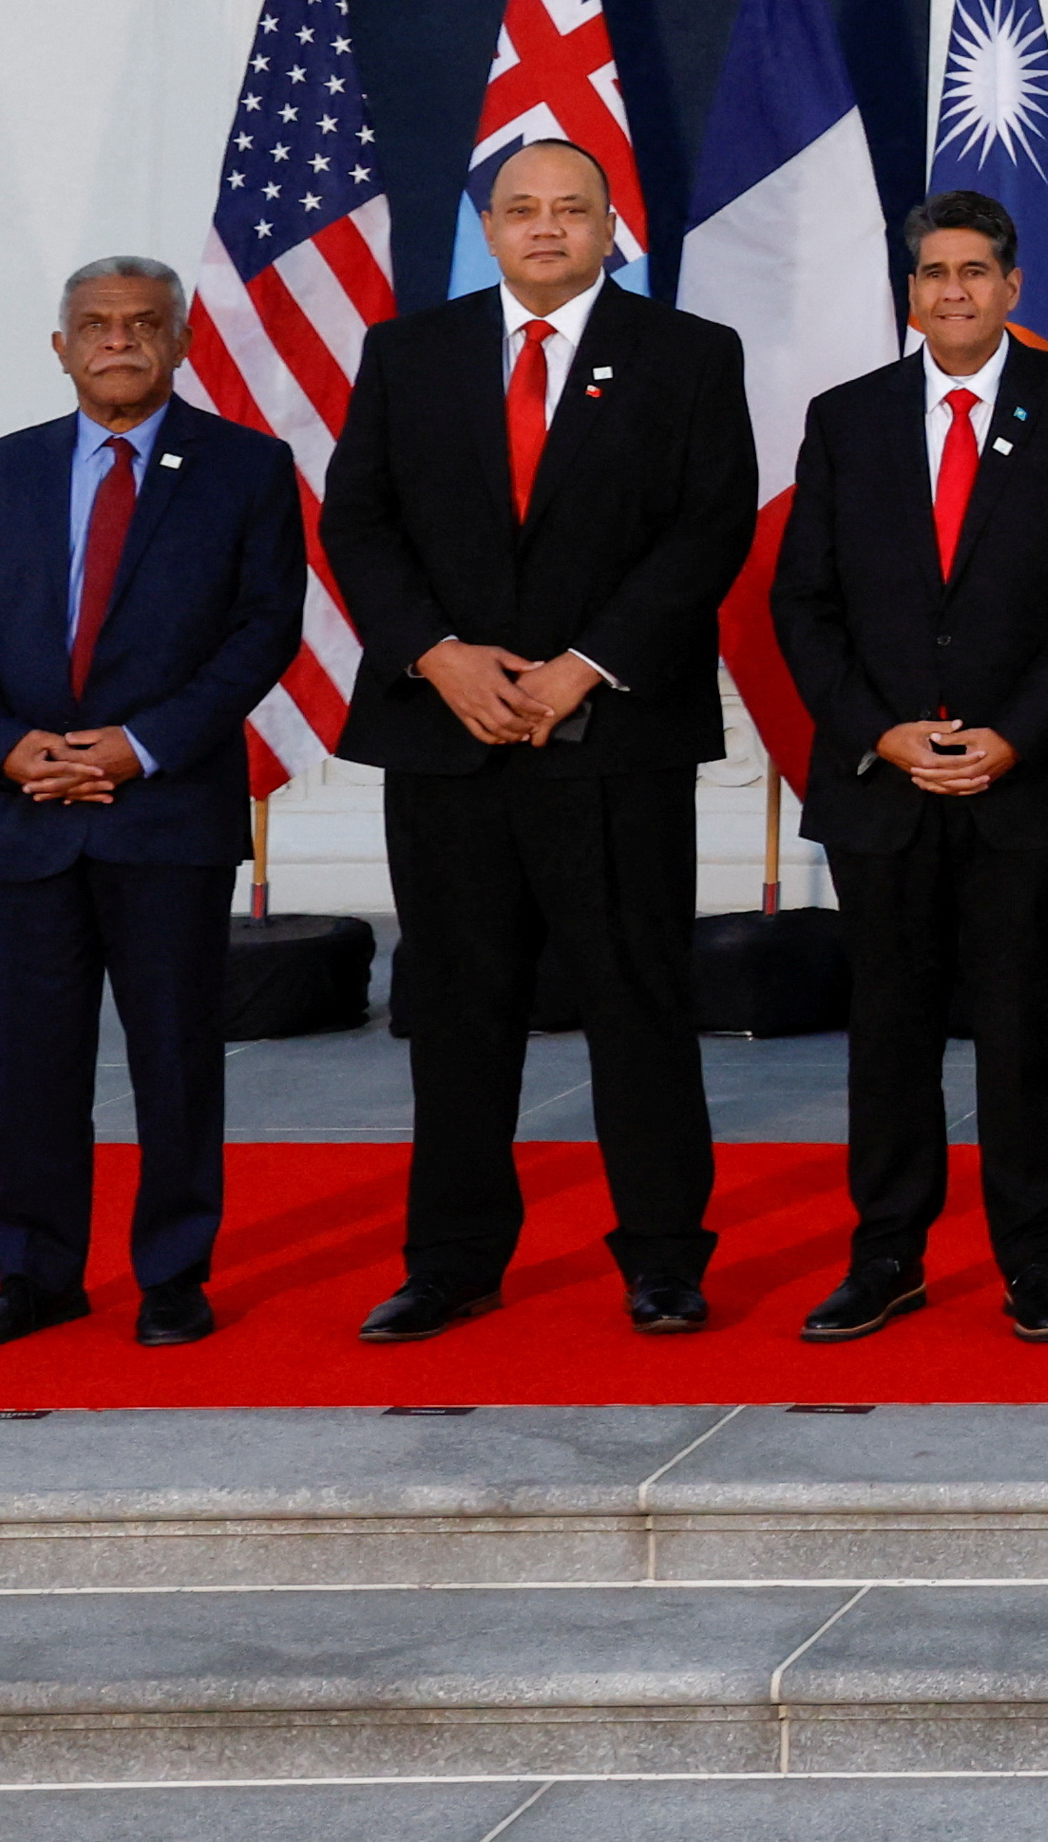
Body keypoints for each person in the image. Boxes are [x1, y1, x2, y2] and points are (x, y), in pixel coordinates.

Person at [324, 135, 757, 1342]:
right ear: (492, 225)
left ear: (612, 223)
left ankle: (665, 1257)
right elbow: (357, 520)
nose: (547, 227)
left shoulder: (686, 355)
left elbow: (708, 528)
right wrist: (437, 654)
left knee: (638, 1001)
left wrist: (582, 666)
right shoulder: (409, 354)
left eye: (572, 208)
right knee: (457, 1006)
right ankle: (452, 1259)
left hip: (610, 738)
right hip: (448, 736)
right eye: (524, 209)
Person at [0, 258, 308, 1352]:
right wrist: (6, 749)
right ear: (61, 346)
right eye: (95, 324)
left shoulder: (246, 468)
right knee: (31, 1065)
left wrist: (141, 745)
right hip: (25, 809)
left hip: (165, 812)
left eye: (142, 324)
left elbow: (263, 630)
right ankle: (35, 1274)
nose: (117, 340)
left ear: (178, 343)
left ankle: (174, 1272)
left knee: (176, 1056)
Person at [766, 187, 1048, 1345]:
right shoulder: (848, 417)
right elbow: (803, 600)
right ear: (911, 292)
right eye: (934, 274)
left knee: (1024, 1021)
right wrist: (880, 731)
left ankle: (1035, 1260)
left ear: (1012, 286)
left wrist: (1011, 732)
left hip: (1025, 780)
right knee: (888, 1028)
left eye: (975, 271)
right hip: (883, 779)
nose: (954, 292)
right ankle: (888, 1255)